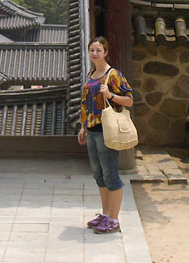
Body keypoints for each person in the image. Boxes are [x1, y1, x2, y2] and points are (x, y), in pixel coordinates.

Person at [77, 36, 134, 234]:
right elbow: (86, 104)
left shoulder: (113, 75)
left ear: (106, 52)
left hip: (106, 131)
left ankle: (114, 219)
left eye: (98, 50)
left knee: (111, 175)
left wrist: (110, 95)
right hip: (91, 130)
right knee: (98, 175)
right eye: (92, 50)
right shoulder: (91, 74)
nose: (94, 53)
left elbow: (129, 101)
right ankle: (106, 214)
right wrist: (83, 126)